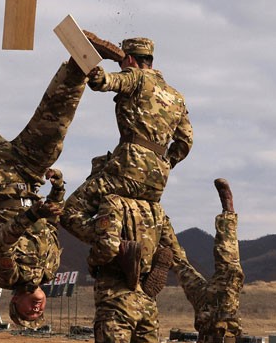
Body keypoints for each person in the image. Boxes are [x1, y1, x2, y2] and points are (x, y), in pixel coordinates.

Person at [0, 40, 111, 327]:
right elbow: (52, 222)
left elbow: (5, 239)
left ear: (15, 302)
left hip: (0, 181)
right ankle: (79, 63)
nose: (36, 308)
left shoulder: (7, 276)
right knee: (53, 131)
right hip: (30, 176)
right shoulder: (50, 268)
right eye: (39, 313)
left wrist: (34, 213)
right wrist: (58, 188)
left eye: (28, 311)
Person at [61, 37, 192, 286]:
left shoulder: (136, 76)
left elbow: (103, 81)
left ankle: (116, 247)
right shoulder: (177, 96)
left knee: (70, 212)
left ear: (130, 60)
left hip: (128, 168)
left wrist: (88, 58)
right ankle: (145, 259)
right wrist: (164, 163)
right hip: (157, 180)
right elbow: (186, 141)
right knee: (133, 219)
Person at [175, 179, 274, 343]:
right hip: (225, 305)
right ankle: (228, 209)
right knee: (230, 265)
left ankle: (159, 225)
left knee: (178, 265)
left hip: (204, 309)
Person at [90, 195, 172, 343]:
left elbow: (106, 247)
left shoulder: (112, 202)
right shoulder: (155, 209)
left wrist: (92, 260)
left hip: (116, 300)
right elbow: (171, 247)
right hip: (147, 302)